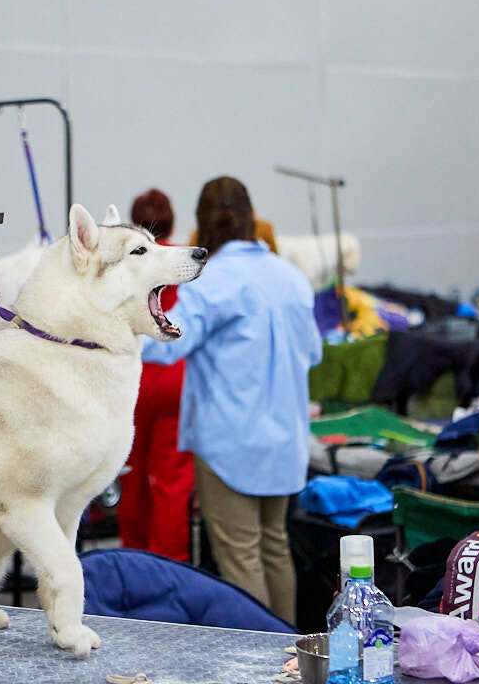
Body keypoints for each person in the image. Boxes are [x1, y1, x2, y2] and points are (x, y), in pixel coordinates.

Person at [141, 176, 323, 624]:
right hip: (285, 444)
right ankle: (292, 656)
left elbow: (165, 342)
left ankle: (258, 666)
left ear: (203, 224)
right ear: (251, 218)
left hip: (231, 448)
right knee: (274, 547)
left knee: (241, 559)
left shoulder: (214, 280)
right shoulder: (291, 277)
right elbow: (315, 352)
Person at [116, 188, 195, 561]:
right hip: (177, 379)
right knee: (172, 484)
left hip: (135, 380)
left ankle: (133, 559)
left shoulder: (128, 259)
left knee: (132, 476)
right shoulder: (184, 259)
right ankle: (171, 565)